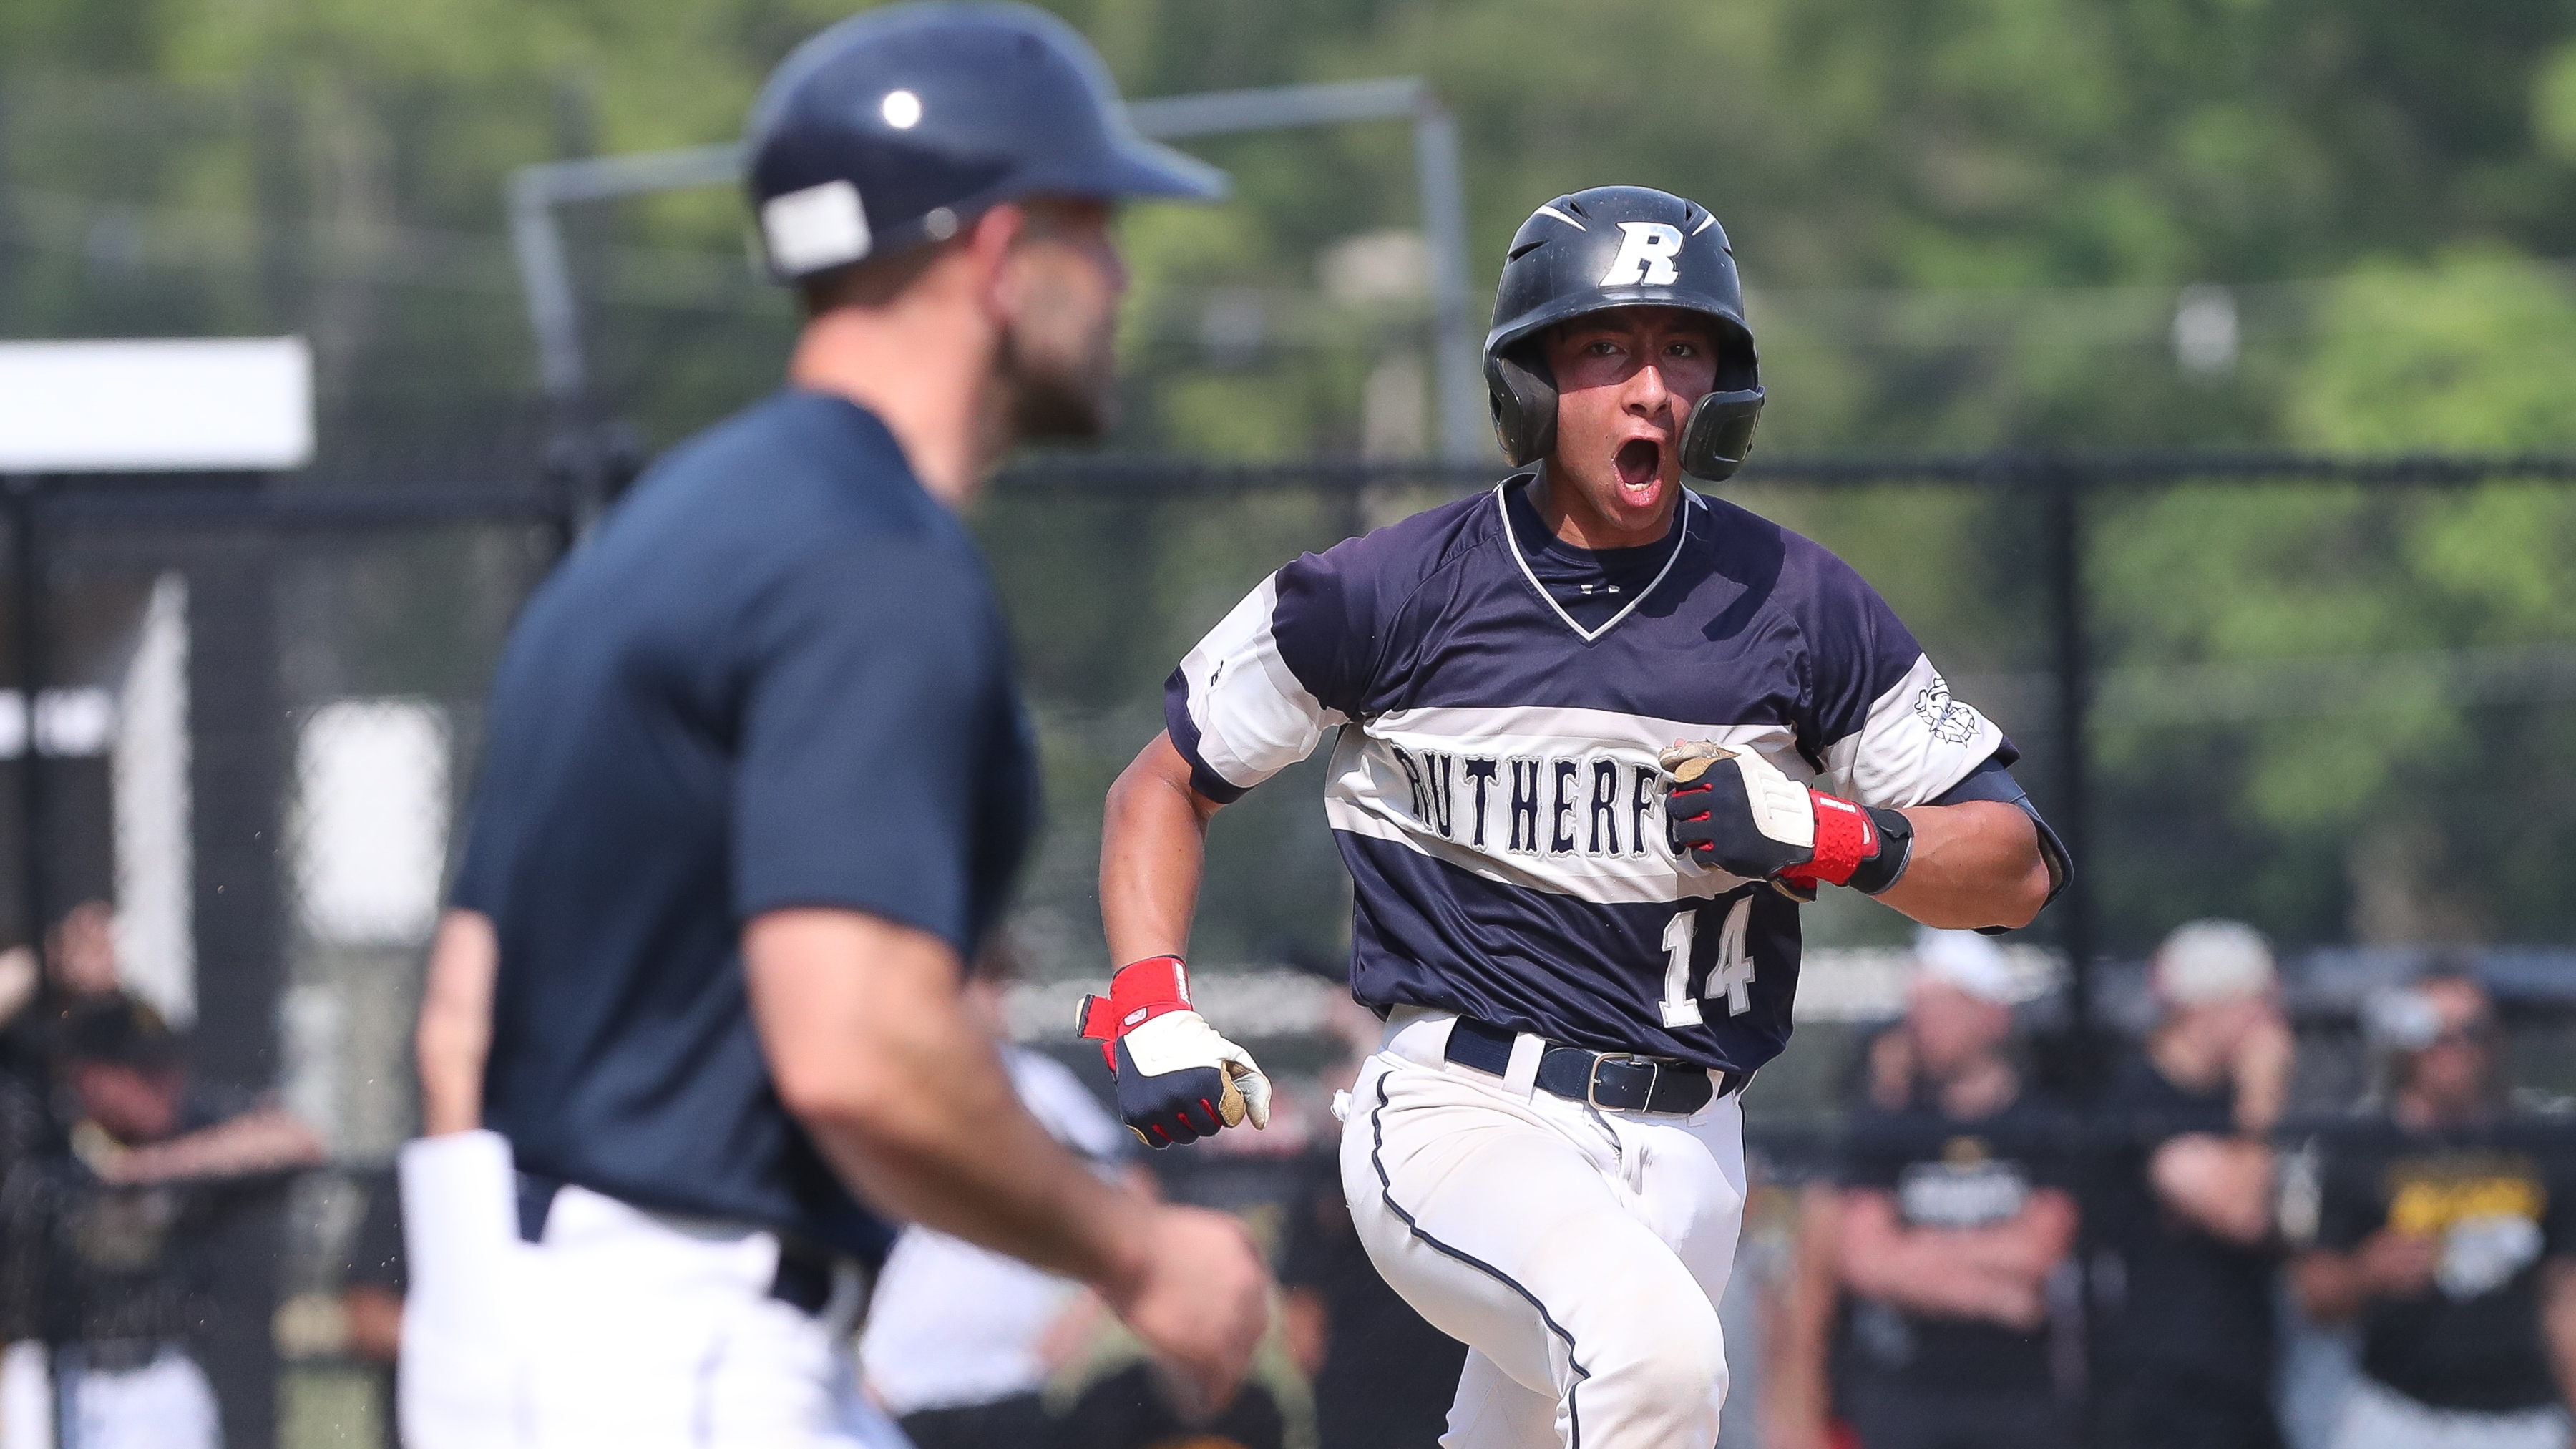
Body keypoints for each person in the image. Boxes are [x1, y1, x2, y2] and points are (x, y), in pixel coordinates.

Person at [401, 7, 1269, 1448]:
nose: (1117, 276)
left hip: (534, 1328)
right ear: (999, 257)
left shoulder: (660, 535)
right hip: (681, 1353)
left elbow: (458, 1017)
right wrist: (1139, 1251)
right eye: (1094, 226)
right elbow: (858, 1048)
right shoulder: (870, 563)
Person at [1083, 183, 2069, 1448]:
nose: (1653, 387)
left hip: (1696, 1148)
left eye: (1685, 349)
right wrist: (1151, 999)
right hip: (1463, 1114)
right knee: (1655, 1360)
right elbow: (1160, 783)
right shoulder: (1385, 592)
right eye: (1607, 347)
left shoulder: (1797, 603)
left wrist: (1838, 837)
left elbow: (2016, 868)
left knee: (1595, 1386)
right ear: (1532, 381)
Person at [4, 993, 326, 1449]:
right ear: (92, 1074)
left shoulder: (185, 1127)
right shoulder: (43, 1131)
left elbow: (298, 1139)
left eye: (168, 1066)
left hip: (157, 1376)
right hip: (53, 1370)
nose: (166, 1084)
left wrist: (147, 1168)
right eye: (144, 1073)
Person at [2294, 967, 2576, 1449]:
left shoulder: (2544, 1146)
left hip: (2523, 1418)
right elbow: (2312, 1296)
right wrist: (2367, 1272)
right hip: (2397, 1412)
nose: (2453, 1048)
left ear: (2496, 1040)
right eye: (2433, 1032)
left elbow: (2566, 1296)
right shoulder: (2361, 1148)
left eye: (2470, 1031)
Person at [858, 958, 1133, 1449]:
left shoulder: (1037, 1087)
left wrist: (1082, 1316)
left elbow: (1129, 1194)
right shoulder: (881, 1084)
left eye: (993, 983)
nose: (987, 1000)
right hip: (898, 1384)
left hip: (1013, 1378)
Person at [1819, 930, 2079, 1449]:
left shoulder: (2044, 1123)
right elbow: (1863, 1258)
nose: (1923, 1023)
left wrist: (1914, 1258)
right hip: (1906, 1396)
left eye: (1942, 1007)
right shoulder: (1888, 1124)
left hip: (2019, 1400)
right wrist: (1998, 1293)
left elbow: (2040, 1250)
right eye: (1917, 1007)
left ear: (1992, 1014)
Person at [2093, 919, 2294, 1449]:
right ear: (2208, 1007)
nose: (2272, 1023)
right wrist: (2264, 1089)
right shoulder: (2141, 1100)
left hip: (2245, 1382)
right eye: (2260, 1004)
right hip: (2163, 1391)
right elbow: (2242, 1212)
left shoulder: (2228, 1102)